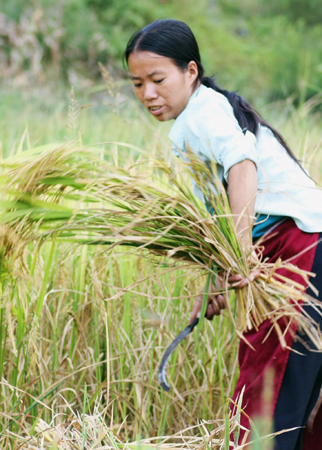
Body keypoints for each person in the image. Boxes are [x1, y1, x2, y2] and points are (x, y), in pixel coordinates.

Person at [124, 19, 322, 449]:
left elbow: (241, 167)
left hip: (298, 249)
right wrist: (217, 273)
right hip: (303, 245)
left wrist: (241, 251)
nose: (148, 94)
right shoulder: (202, 116)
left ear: (190, 72)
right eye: (137, 84)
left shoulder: (205, 113)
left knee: (268, 389)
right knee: (304, 397)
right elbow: (219, 208)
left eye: (158, 79)